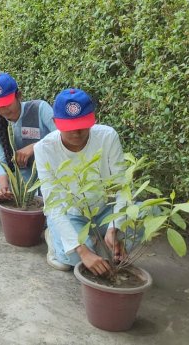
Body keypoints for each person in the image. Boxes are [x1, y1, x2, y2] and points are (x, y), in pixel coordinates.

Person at [34, 88, 127, 273]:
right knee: (76, 260)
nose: (76, 133)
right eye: (69, 127)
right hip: (71, 213)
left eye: (82, 125)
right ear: (55, 123)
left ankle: (100, 241)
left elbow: (123, 187)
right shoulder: (44, 148)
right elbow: (53, 204)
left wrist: (114, 228)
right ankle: (56, 239)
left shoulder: (108, 137)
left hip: (103, 209)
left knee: (138, 222)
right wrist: (82, 251)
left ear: (94, 119)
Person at [0, 73, 56, 204]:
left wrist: (34, 147)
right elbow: (0, 160)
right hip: (16, 174)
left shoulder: (40, 108)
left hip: (48, 170)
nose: (3, 110)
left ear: (18, 96)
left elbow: (62, 134)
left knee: (47, 198)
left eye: (7, 103)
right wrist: (3, 187)